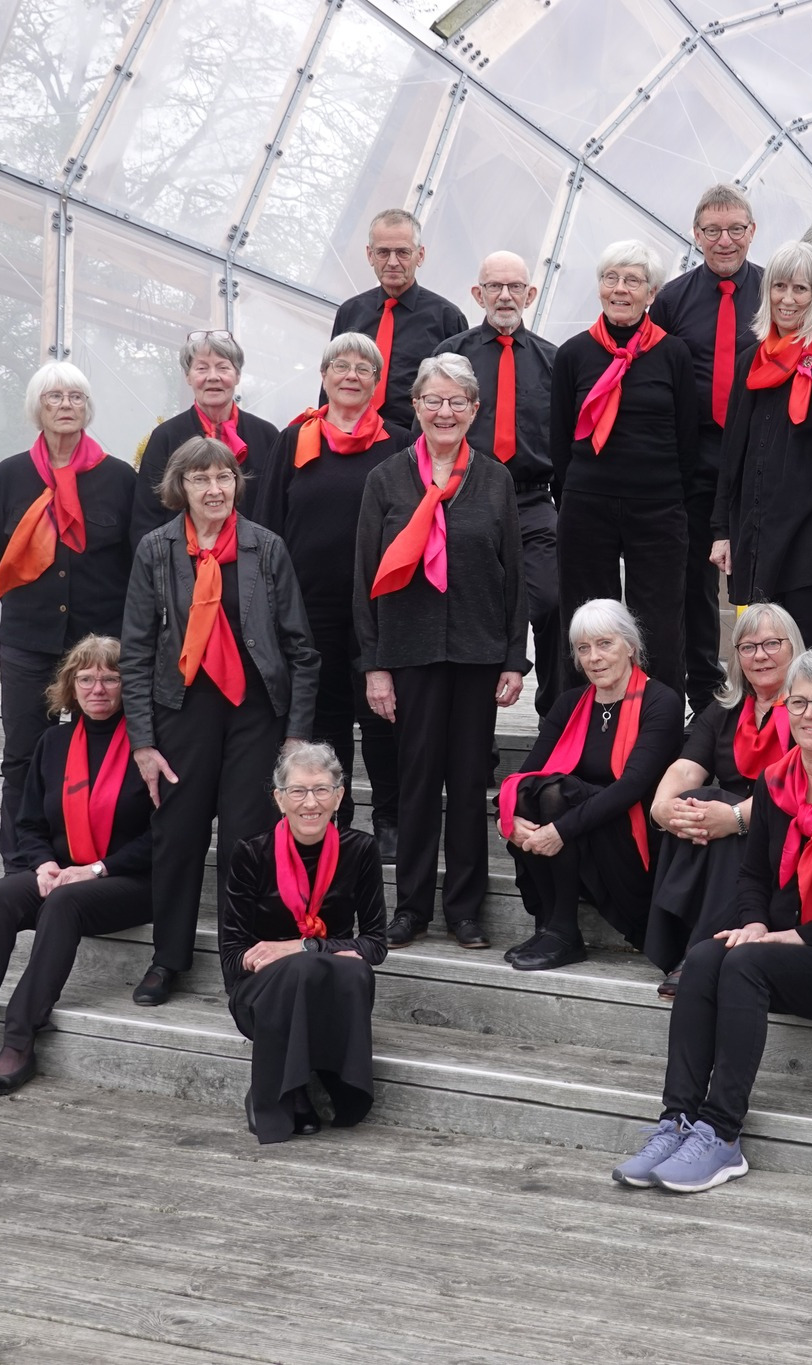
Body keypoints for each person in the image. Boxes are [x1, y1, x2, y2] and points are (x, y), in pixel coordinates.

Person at [612, 647, 812, 1194]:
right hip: (781, 948)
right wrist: (753, 922)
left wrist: (796, 936)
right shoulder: (776, 785)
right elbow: (751, 879)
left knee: (746, 965)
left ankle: (722, 1133)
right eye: (799, 703)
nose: (809, 715)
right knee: (704, 957)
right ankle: (676, 1119)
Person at [120, 435, 321, 1007]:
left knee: (244, 842)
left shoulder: (266, 548)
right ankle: (168, 960)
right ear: (179, 487)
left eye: (225, 477)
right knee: (177, 837)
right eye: (201, 479)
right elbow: (135, 649)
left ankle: (241, 957)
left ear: (237, 484)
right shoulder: (156, 550)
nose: (215, 489)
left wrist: (296, 734)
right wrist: (142, 742)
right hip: (180, 710)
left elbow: (301, 649)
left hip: (256, 712)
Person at [356, 353, 527, 951]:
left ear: (475, 410)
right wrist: (375, 665)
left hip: (478, 653)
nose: (445, 411)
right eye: (434, 400)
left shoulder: (497, 478)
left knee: (468, 780)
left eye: (458, 401)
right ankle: (410, 909)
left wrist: (514, 657)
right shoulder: (386, 479)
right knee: (418, 782)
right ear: (417, 408)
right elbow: (365, 579)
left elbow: (514, 577)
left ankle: (465, 910)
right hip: (409, 653)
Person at [0, 636, 151, 1097]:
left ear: (129, 685)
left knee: (65, 904)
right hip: (63, 873)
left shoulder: (147, 748)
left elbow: (166, 837)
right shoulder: (54, 742)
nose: (98, 688)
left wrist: (95, 870)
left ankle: (20, 1040)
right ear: (71, 685)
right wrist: (44, 863)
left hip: (129, 881)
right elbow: (28, 821)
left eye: (111, 678)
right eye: (87, 678)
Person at [261, 332, 414, 855]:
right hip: (310, 603)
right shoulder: (295, 439)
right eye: (340, 366)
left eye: (363, 369)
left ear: (377, 382)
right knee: (324, 718)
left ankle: (390, 819)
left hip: (381, 601)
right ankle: (337, 819)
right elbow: (269, 523)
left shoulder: (397, 442)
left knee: (382, 715)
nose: (351, 375)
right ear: (324, 376)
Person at [0, 362, 135, 871]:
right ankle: (23, 863)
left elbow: (132, 561)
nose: (65, 405)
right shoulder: (10, 475)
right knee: (24, 754)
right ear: (37, 409)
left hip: (99, 645)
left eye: (75, 396)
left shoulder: (118, 477)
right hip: (30, 637)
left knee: (105, 751)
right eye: (54, 397)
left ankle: (98, 856)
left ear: (87, 408)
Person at [498, 599, 685, 972]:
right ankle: (552, 923)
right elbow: (525, 772)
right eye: (584, 648)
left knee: (554, 793)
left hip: (630, 834)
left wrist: (559, 830)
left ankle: (564, 931)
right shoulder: (569, 703)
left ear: (630, 646)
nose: (594, 657)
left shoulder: (661, 701)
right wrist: (509, 820)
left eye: (605, 644)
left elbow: (631, 787)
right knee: (528, 793)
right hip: (575, 826)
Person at [709, 240, 812, 650]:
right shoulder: (750, 360)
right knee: (766, 656)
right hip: (761, 537)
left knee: (806, 657)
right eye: (779, 287)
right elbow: (732, 455)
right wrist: (722, 531)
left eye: (800, 289)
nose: (788, 299)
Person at [550, 241, 700, 698]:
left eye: (632, 280)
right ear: (599, 287)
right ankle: (580, 718)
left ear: (651, 292)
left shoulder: (674, 355)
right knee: (584, 617)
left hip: (657, 506)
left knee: (658, 621)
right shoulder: (572, 354)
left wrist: (673, 496)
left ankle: (660, 718)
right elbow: (559, 440)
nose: (620, 289)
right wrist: (573, 494)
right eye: (611, 278)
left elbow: (687, 440)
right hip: (587, 503)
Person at [220, 741, 386, 1145]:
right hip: (260, 993)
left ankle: (301, 1085)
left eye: (321, 790)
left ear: (339, 796)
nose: (310, 803)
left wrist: (303, 947)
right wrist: (295, 959)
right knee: (302, 968)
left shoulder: (361, 850)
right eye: (298, 791)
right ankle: (279, 1091)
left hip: (326, 989)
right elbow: (232, 956)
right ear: (279, 799)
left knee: (335, 966)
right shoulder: (250, 853)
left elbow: (375, 944)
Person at [644, 603, 802, 996]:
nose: (760, 655)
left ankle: (699, 951)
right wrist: (662, 808)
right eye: (747, 647)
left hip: (790, 823)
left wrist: (736, 816)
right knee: (692, 800)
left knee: (711, 803)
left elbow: (804, 782)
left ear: (793, 647)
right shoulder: (723, 711)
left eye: (771, 644)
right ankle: (694, 947)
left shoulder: (809, 705)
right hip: (722, 827)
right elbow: (685, 768)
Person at [432, 252, 564, 710]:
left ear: (530, 294)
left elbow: (565, 444)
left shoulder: (554, 361)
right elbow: (427, 430)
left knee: (550, 601)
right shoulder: (451, 357)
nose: (504, 296)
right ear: (478, 293)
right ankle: (475, 731)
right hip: (467, 500)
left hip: (532, 502)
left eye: (514, 288)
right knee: (474, 614)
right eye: (494, 287)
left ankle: (553, 715)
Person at [651, 184, 762, 712]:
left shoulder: (774, 290)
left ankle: (763, 687)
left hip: (756, 455)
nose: (724, 240)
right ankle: (704, 690)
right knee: (693, 576)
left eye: (735, 229)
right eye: (713, 231)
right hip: (693, 457)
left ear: (752, 232)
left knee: (759, 569)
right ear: (696, 235)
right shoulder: (671, 299)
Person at [131, 331, 282, 544]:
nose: (213, 377)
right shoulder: (166, 437)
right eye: (202, 368)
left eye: (223, 367)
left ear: (237, 375)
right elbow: (146, 518)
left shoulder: (267, 435)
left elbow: (277, 510)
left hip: (253, 565)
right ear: (188, 377)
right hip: (183, 566)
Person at [329, 208, 469, 429]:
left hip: (411, 444)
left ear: (420, 255)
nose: (392, 262)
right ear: (370, 255)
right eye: (383, 252)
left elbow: (459, 395)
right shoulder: (350, 312)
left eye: (403, 252)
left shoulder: (447, 318)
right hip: (348, 437)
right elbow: (331, 380)